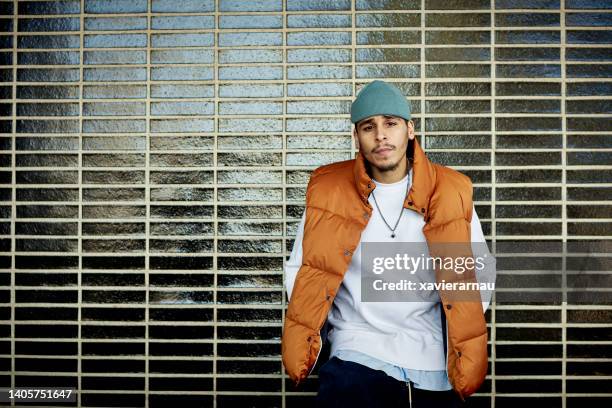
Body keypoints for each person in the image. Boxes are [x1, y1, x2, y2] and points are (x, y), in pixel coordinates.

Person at [281, 80, 496, 407]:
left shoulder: (448, 192)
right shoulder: (329, 193)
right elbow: (302, 269)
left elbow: (478, 277)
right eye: (369, 127)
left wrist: (455, 323)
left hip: (433, 361)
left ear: (410, 130)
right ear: (357, 137)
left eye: (391, 124)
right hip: (355, 356)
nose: (381, 135)